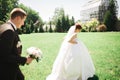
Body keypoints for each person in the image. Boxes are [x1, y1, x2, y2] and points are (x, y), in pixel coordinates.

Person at [0, 8, 33, 80]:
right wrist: (24, 60)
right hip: (7, 70)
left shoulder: (4, 26)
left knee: (21, 77)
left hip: (12, 66)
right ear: (18, 18)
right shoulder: (9, 31)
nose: (23, 23)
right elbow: (4, 56)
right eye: (23, 20)